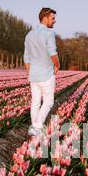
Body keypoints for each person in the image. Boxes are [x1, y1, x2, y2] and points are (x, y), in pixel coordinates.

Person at [24, 7, 60, 137]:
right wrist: (57, 65)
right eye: (53, 18)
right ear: (45, 18)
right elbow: (53, 52)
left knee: (35, 102)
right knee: (49, 101)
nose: (54, 21)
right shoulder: (49, 34)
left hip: (33, 75)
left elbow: (26, 57)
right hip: (46, 74)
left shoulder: (29, 35)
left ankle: (34, 128)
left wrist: (30, 72)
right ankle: (38, 127)